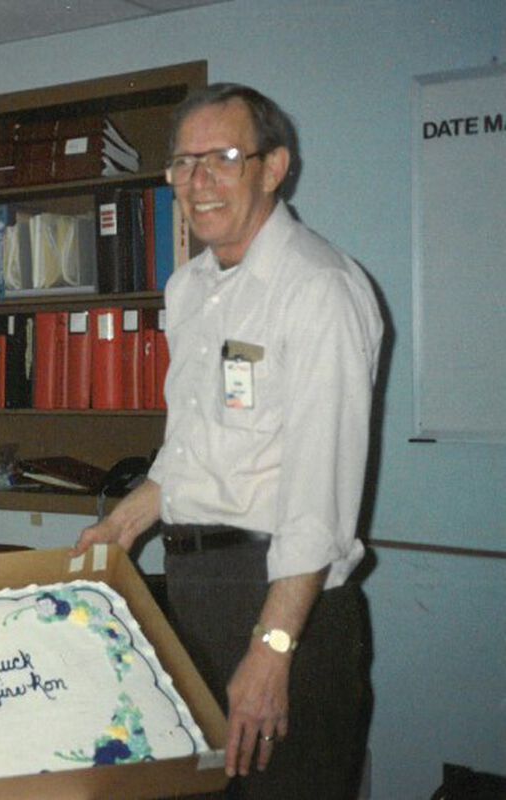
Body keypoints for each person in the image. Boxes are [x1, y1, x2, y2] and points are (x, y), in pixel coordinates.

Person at [74, 84, 382, 799]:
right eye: (182, 162)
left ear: (273, 168)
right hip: (196, 593)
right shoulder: (189, 289)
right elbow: (196, 457)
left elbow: (317, 501)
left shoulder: (318, 289)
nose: (197, 181)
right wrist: (121, 524)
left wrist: (271, 651)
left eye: (222, 158)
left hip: (281, 603)